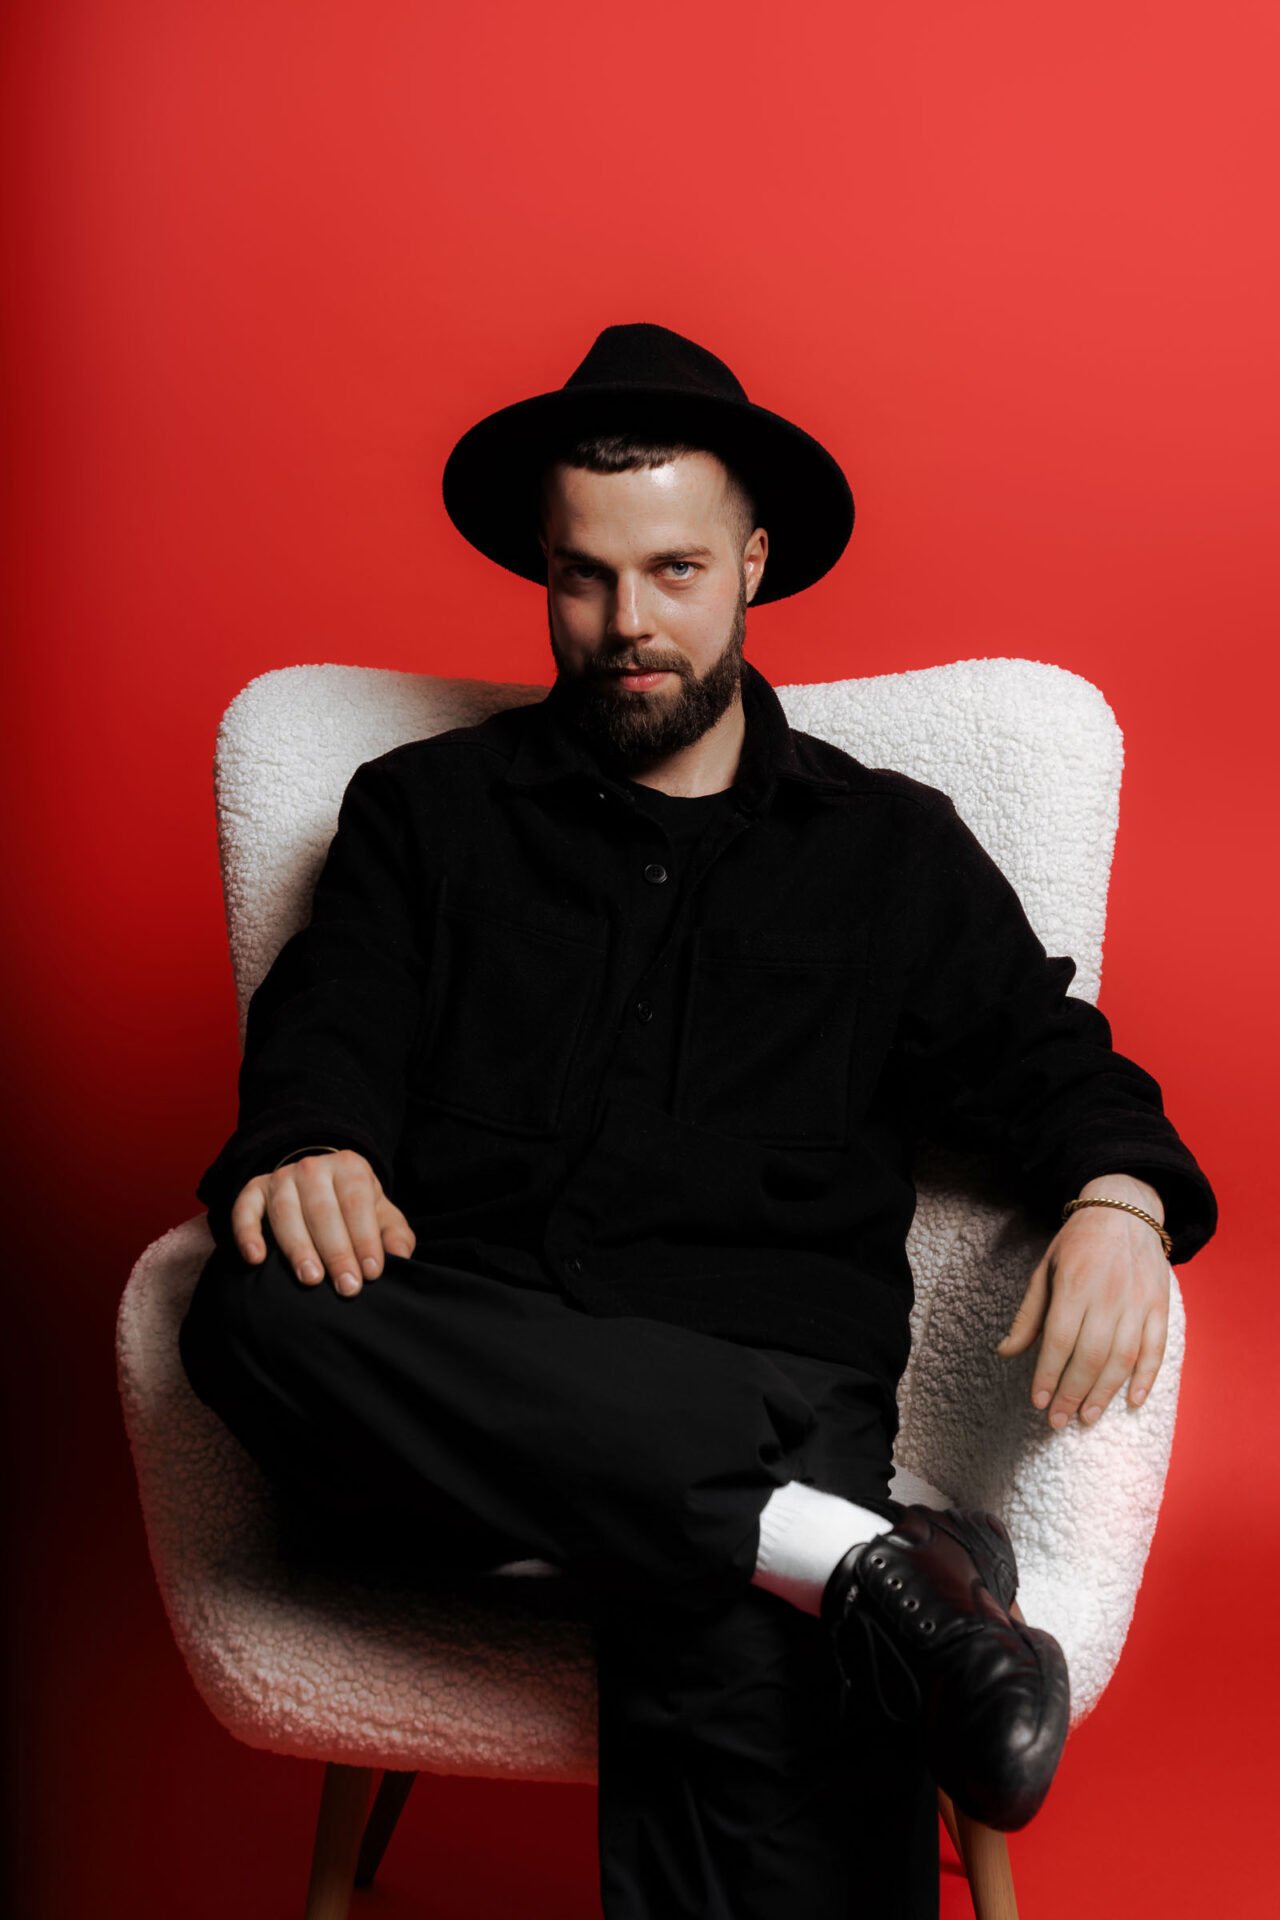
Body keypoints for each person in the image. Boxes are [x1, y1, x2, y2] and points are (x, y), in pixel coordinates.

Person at [179, 321, 1217, 1918]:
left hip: (765, 1383)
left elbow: (1050, 1063)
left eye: (671, 572)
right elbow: (327, 1030)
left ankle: (785, 1542)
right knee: (243, 1300)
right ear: (543, 574)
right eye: (585, 578)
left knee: (757, 1718)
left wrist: (1120, 1204)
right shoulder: (424, 817)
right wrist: (310, 1138)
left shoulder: (889, 852)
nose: (625, 625)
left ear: (750, 562)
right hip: (472, 1404)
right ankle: (847, 1559)